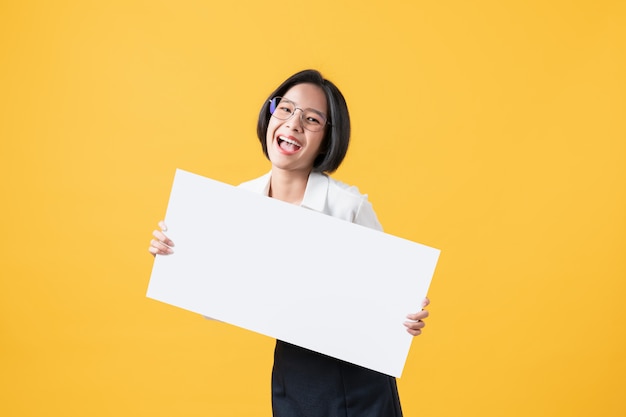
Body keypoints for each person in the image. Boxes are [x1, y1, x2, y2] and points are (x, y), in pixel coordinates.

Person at [149, 69, 430, 417]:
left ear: (328, 139)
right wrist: (175, 254)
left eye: (311, 119)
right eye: (285, 109)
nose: (293, 124)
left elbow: (392, 299)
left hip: (357, 380)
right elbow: (215, 303)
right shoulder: (237, 203)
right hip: (293, 375)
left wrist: (406, 317)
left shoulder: (347, 205)